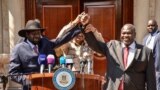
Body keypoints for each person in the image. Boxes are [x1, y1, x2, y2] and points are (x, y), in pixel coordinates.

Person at [9, 18, 82, 90]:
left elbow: (61, 40)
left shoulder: (45, 42)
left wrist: (80, 28)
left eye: (38, 33)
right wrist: (29, 80)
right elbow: (13, 74)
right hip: (30, 87)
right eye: (34, 34)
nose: (37, 36)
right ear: (27, 34)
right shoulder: (18, 48)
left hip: (49, 85)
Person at [81, 23, 156, 90]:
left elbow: (151, 78)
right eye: (123, 33)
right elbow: (95, 45)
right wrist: (87, 31)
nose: (125, 35)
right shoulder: (112, 46)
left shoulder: (146, 52)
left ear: (135, 34)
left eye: (129, 33)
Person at [143, 19, 160, 90]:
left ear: (157, 26)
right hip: (147, 67)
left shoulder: (159, 36)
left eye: (152, 25)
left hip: (156, 68)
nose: (150, 27)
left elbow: (158, 54)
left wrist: (157, 68)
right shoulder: (146, 38)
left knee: (157, 86)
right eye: (148, 26)